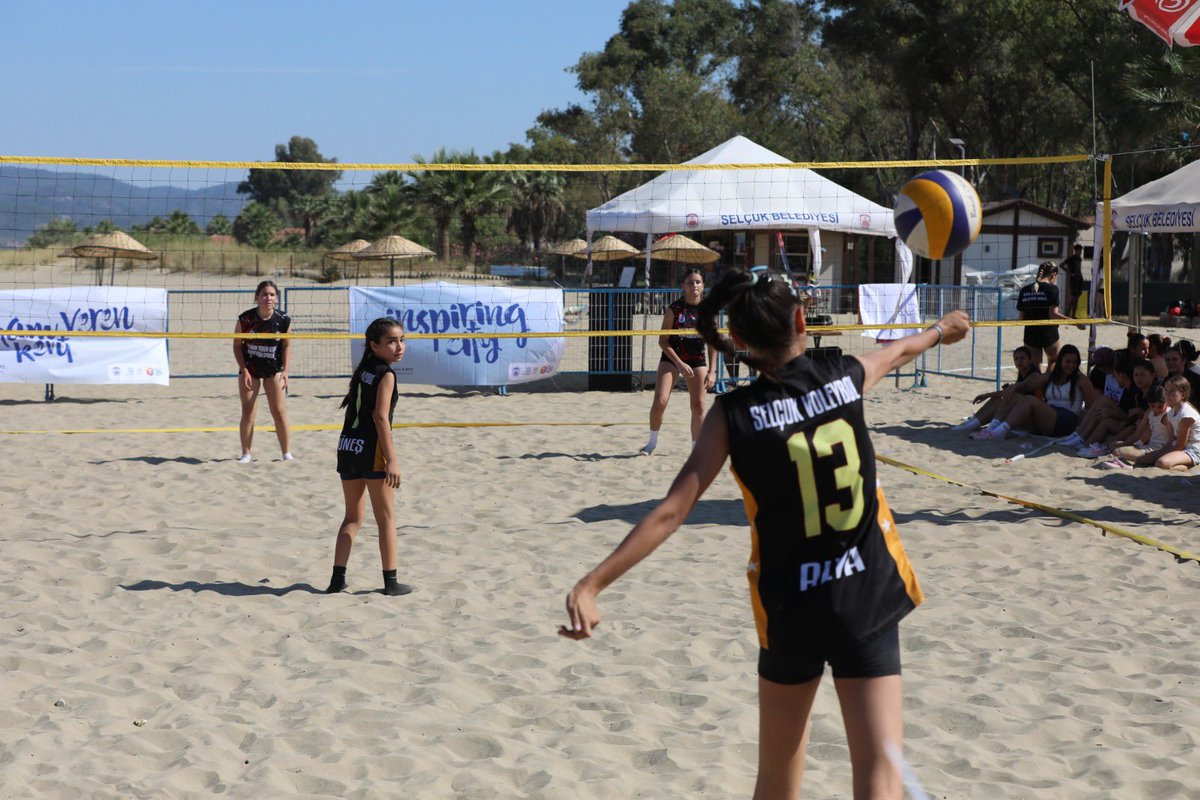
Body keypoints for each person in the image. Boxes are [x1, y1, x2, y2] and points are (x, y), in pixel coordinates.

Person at [561, 266, 971, 799]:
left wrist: (592, 583)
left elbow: (671, 511)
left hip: (791, 605)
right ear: (802, 319)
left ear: (740, 343)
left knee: (776, 780)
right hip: (865, 593)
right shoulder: (841, 376)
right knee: (880, 777)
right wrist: (943, 329)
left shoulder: (733, 415)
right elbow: (896, 353)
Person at [325, 317, 413, 596]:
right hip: (372, 449)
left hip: (348, 446)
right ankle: (391, 582)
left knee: (352, 518)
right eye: (391, 341)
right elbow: (380, 417)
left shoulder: (364, 368)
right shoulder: (386, 374)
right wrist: (393, 460)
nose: (399, 346)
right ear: (374, 346)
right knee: (386, 518)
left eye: (401, 340)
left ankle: (337, 580)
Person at [640, 267, 717, 454]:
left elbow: (712, 343)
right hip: (672, 356)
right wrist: (680, 364)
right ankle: (651, 442)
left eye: (698, 282)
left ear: (703, 285)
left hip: (696, 358)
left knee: (698, 405)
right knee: (660, 400)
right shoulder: (674, 309)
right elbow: (663, 341)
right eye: (690, 282)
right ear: (683, 285)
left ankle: (695, 449)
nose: (694, 285)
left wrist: (712, 370)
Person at [972, 344, 1099, 440]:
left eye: (1074, 362)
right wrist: (989, 394)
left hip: (1066, 420)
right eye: (1068, 362)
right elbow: (1023, 386)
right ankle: (989, 428)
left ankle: (999, 432)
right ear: (1060, 361)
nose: (1071, 365)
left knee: (1029, 400)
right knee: (1013, 396)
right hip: (1049, 417)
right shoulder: (1050, 376)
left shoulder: (1080, 379)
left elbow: (1092, 405)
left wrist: (1082, 427)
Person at [234, 280, 293, 463]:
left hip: (274, 369)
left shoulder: (283, 319)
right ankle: (246, 453)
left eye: (272, 294)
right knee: (248, 412)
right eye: (265, 294)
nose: (268, 298)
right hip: (250, 369)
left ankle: (286, 453)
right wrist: (244, 370)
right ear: (257, 297)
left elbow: (287, 345)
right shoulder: (245, 319)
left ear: (276, 298)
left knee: (279, 411)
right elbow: (237, 346)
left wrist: (286, 371)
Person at [951, 345, 1041, 432]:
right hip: (1022, 412)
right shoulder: (1022, 374)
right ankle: (971, 423)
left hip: (1034, 417)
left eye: (1022, 358)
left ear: (1030, 360)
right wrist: (987, 395)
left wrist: (986, 395)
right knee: (998, 397)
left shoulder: (1034, 375)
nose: (1019, 361)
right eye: (1016, 359)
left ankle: (978, 425)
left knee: (1005, 397)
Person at [1016, 261, 1073, 366]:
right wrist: (1075, 322)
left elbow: (1021, 319)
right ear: (1053, 275)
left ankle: (1040, 381)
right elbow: (1053, 315)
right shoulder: (1052, 289)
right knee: (1055, 362)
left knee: (1035, 368)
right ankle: (1048, 381)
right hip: (1048, 332)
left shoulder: (1024, 290)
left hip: (1030, 333)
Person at [1102, 385, 1173, 469]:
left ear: (1167, 402)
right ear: (1149, 404)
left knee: (1118, 451)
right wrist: (1125, 444)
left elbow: (1171, 441)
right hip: (1148, 446)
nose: (1156, 409)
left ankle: (1129, 464)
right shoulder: (1149, 411)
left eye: (1160, 406)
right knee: (1113, 444)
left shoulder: (1167, 415)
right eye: (1153, 406)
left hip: (1158, 450)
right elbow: (1138, 433)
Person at [1156, 375, 1200, 471]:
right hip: (1182, 449)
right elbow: (1171, 440)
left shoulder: (1186, 415)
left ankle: (1189, 466)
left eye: (1172, 391)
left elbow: (1181, 445)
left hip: (1193, 450)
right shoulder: (1171, 412)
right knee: (1151, 458)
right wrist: (1157, 454)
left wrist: (1160, 455)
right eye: (1166, 391)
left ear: (1183, 395)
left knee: (1162, 462)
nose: (1167, 394)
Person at [1060, 243, 1085, 318]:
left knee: (1077, 298)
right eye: (1078, 250)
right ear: (1075, 250)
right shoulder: (1071, 258)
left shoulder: (1080, 259)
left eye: (1081, 250)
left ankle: (1073, 315)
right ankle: (1067, 314)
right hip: (1073, 281)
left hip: (1079, 280)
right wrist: (1070, 273)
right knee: (1073, 298)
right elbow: (1061, 265)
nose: (1080, 252)